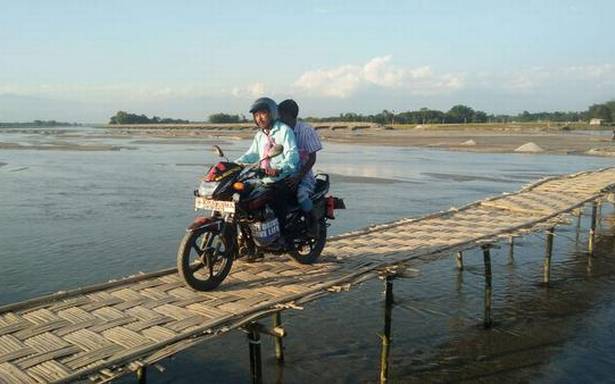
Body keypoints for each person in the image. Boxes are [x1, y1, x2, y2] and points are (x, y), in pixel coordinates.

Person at [236, 97, 299, 243]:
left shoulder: (284, 131)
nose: (259, 118)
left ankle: (283, 237)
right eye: (256, 115)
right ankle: (251, 239)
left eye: (263, 113)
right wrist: (234, 165)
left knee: (276, 200)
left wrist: (278, 169)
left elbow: (293, 155)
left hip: (283, 178)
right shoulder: (260, 135)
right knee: (244, 201)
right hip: (263, 179)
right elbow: (251, 155)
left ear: (272, 113)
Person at [278, 99, 323, 237]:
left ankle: (312, 222)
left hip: (303, 177)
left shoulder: (306, 131)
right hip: (282, 174)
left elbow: (312, 158)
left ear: (288, 114)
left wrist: (298, 177)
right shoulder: (279, 131)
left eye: (280, 115)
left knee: (301, 195)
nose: (278, 118)